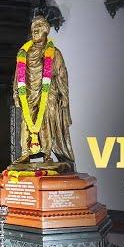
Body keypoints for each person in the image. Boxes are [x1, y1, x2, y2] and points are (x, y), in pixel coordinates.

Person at [12, 15, 75, 165]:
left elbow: (61, 74)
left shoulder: (54, 53)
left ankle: (47, 153)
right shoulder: (24, 53)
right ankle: (26, 152)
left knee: (46, 122)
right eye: (34, 27)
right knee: (26, 124)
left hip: (48, 94)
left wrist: (64, 95)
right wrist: (16, 94)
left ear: (46, 31)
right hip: (28, 94)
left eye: (39, 26)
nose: (35, 29)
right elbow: (18, 76)